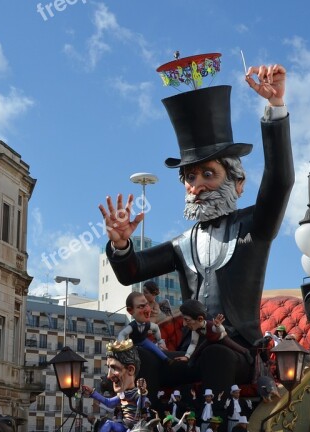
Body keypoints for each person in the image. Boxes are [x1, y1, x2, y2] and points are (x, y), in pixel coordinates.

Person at [99, 62, 294, 398]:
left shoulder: (252, 228)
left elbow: (279, 181)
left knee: (217, 357)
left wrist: (275, 109)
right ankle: (149, 429)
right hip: (192, 350)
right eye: (190, 178)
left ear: (238, 183)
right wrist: (120, 245)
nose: (197, 186)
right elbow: (132, 271)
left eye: (208, 175)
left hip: (237, 350)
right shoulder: (183, 243)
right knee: (144, 356)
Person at [73, 344, 148, 432]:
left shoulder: (136, 393)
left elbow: (141, 407)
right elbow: (109, 403)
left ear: (130, 370)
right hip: (124, 424)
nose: (108, 376)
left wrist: (142, 393)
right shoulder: (122, 394)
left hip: (135, 427)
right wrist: (92, 393)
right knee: (108, 423)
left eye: (114, 368)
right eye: (108, 368)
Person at [117, 292, 171, 363]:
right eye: (141, 306)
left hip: (144, 341)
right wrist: (122, 346)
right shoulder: (132, 326)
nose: (148, 310)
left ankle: (166, 359)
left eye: (147, 305)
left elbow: (156, 328)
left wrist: (159, 340)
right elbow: (122, 334)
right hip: (134, 344)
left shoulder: (148, 324)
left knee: (154, 348)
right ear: (130, 310)